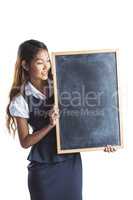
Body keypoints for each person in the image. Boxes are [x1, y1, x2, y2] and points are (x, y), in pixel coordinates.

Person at [6, 39, 117, 200]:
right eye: (39, 63)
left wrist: (107, 138)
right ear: (25, 65)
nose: (46, 67)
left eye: (48, 61)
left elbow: (87, 114)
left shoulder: (63, 82)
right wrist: (49, 125)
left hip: (70, 164)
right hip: (43, 169)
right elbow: (25, 141)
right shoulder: (20, 100)